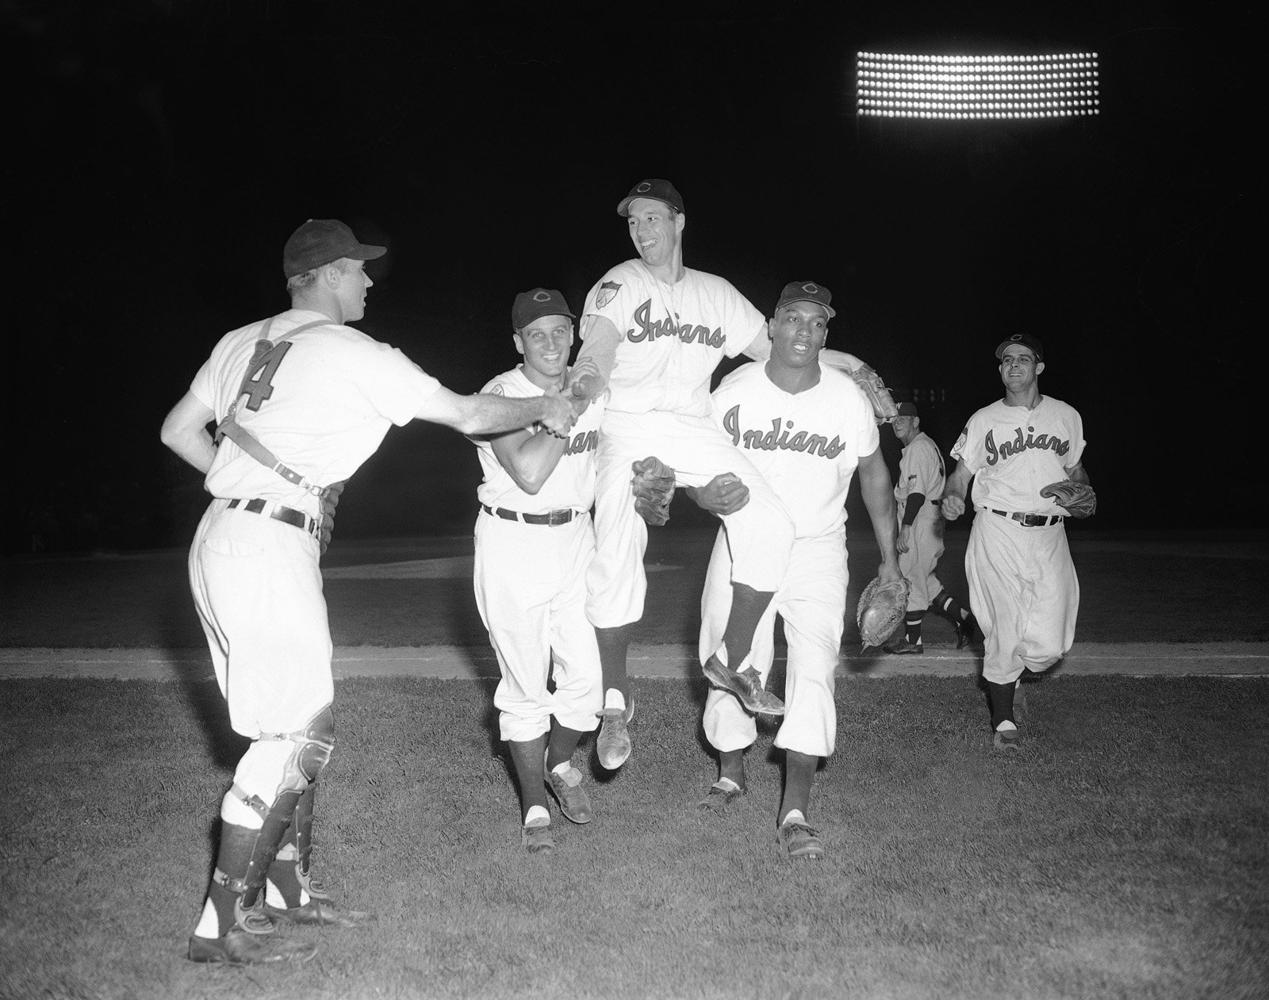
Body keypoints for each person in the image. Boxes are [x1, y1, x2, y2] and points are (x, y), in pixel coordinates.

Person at [160, 219, 577, 966]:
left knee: (298, 721)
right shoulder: (352, 351)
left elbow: (177, 431)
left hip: (223, 534)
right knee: (293, 735)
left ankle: (287, 891)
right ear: (326, 275)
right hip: (265, 547)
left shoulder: (241, 340)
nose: (368, 281)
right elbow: (469, 413)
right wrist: (543, 408)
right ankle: (219, 926)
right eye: (358, 269)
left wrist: (254, 484)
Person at [567, 180, 895, 770]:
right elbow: (598, 350)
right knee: (616, 542)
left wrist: (855, 364)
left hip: (692, 425)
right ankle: (615, 699)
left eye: (652, 218)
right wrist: (579, 388)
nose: (642, 231)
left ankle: (732, 662)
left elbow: (779, 347)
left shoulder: (715, 294)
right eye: (634, 221)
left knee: (771, 521)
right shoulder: (621, 283)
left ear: (679, 222)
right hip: (628, 425)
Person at [684, 280, 901, 860]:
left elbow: (874, 476)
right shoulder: (735, 390)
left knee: (814, 665)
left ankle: (795, 809)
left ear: (826, 335)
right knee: (729, 656)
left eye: (817, 322)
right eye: (793, 318)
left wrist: (891, 561)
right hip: (743, 540)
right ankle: (730, 772)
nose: (804, 330)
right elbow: (691, 459)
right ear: (772, 327)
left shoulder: (847, 399)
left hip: (817, 548)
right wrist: (702, 496)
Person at [471, 288, 605, 854]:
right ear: (518, 341)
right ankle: (533, 807)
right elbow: (528, 473)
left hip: (578, 537)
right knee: (526, 683)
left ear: (573, 334)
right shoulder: (500, 395)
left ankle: (558, 762)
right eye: (536, 334)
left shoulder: (594, 386)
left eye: (560, 331)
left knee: (590, 679)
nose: (551, 343)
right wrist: (569, 402)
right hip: (513, 540)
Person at [940, 333, 1091, 752]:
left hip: (1050, 534)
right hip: (998, 530)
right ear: (1000, 369)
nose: (1014, 366)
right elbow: (960, 476)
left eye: (1023, 359)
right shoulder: (984, 419)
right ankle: (1003, 718)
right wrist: (953, 496)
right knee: (1004, 625)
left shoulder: (1066, 416)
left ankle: (1011, 676)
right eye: (1007, 360)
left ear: (1038, 367)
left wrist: (1083, 490)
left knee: (1051, 643)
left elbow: (1076, 470)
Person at [885, 401, 979, 653]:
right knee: (925, 579)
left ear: (916, 421)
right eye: (894, 419)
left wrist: (906, 527)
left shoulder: (917, 448)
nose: (897, 422)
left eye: (903, 418)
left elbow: (916, 493)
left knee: (910, 577)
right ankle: (964, 618)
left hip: (920, 518)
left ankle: (913, 641)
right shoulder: (925, 444)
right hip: (931, 518)